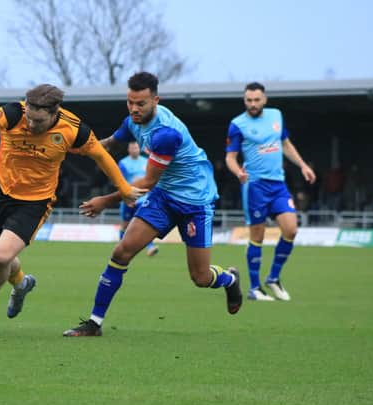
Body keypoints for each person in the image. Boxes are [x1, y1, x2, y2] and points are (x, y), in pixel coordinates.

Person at [0, 84, 145, 334]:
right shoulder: (12, 114)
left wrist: (123, 189)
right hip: (1, 193)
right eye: (30, 118)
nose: (32, 125)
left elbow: (102, 156)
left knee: (2, 257)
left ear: (55, 112)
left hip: (35, 202)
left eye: (39, 121)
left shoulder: (74, 129)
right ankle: (22, 283)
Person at [63, 72, 242, 337]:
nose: (134, 109)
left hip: (195, 202)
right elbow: (109, 145)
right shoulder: (132, 121)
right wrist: (72, 151)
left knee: (201, 278)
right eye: (130, 102)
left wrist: (105, 201)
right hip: (164, 196)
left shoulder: (165, 134)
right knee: (121, 253)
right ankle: (94, 323)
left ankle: (230, 279)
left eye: (141, 104)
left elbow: (146, 181)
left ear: (155, 100)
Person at [225, 82, 316, 302]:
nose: (253, 104)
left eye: (257, 100)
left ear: (264, 99)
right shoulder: (237, 124)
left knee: (291, 230)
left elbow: (285, 144)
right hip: (254, 186)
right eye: (249, 100)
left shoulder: (276, 116)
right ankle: (255, 288)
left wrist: (303, 165)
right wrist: (239, 173)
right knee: (258, 237)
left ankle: (273, 278)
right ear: (244, 100)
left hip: (278, 185)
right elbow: (230, 157)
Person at [117, 141, 158, 257]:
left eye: (136, 147)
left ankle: (150, 247)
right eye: (132, 148)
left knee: (145, 223)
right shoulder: (123, 163)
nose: (135, 150)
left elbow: (152, 177)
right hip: (129, 198)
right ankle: (121, 245)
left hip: (143, 199)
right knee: (125, 224)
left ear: (139, 149)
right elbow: (120, 181)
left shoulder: (146, 162)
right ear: (128, 149)